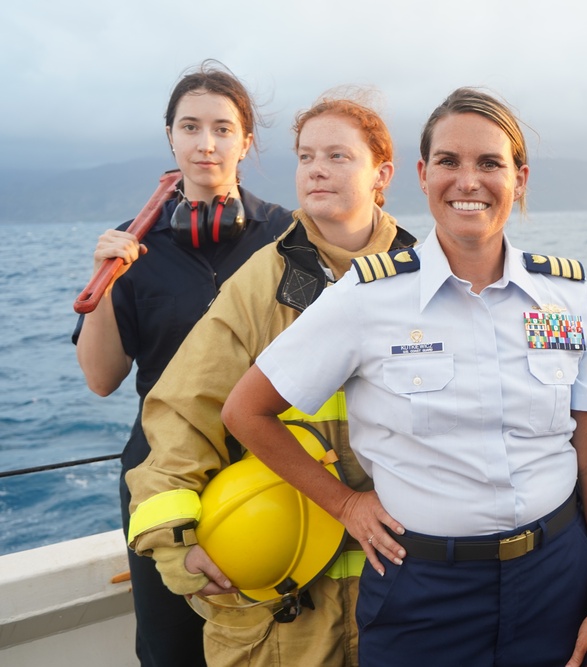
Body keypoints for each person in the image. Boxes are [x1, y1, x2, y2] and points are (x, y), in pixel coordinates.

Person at [220, 87, 587, 667]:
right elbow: (245, 411)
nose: (468, 181)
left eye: (490, 163)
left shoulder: (567, 299)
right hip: (424, 592)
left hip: (556, 579)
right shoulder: (366, 297)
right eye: (449, 162)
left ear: (520, 178)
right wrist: (345, 506)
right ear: (422, 173)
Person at [124, 93, 416, 666]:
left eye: (337, 155)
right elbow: (183, 411)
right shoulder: (260, 283)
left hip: (401, 592)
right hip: (289, 608)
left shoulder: (428, 278)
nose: (316, 169)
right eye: (306, 156)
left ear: (382, 173)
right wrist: (172, 541)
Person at [72, 60, 293, 666]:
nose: (206, 143)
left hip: (267, 465)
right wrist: (109, 283)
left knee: (281, 639)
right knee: (172, 648)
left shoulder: (288, 235)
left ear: (246, 141)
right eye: (190, 127)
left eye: (223, 128)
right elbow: (100, 379)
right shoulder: (130, 243)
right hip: (161, 482)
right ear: (170, 136)